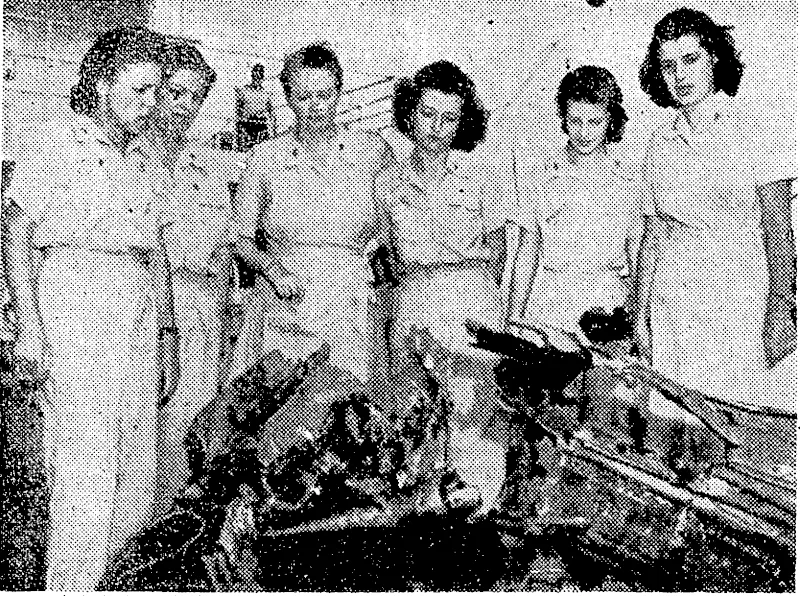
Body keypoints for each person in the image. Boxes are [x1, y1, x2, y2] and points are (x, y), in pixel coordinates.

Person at [2, 27, 178, 590]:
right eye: (139, 86)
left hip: (135, 324)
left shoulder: (143, 160)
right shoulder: (49, 147)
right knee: (85, 491)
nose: (148, 101)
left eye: (155, 90)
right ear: (100, 84)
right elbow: (17, 238)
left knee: (136, 491)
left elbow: (157, 259)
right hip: (75, 322)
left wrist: (165, 350)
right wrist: (23, 327)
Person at [376, 60, 523, 516]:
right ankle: (421, 513)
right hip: (412, 305)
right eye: (427, 115)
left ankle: (480, 511)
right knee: (412, 415)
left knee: (473, 413)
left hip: (469, 304)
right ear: (409, 113)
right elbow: (385, 251)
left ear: (464, 121)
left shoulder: (482, 176)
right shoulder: (388, 177)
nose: (437, 129)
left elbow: (499, 250)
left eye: (450, 118)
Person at [634, 8, 796, 409]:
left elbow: (777, 225)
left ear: (715, 60)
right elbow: (654, 235)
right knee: (675, 425)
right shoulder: (658, 142)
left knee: (733, 424)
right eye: (668, 66)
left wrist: (780, 307)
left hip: (738, 297)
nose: (680, 75)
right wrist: (641, 313)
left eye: (691, 60)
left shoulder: (755, 126)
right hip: (672, 300)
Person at [230, 43, 393, 396]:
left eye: (325, 95)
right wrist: (273, 270)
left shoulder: (372, 151)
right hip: (282, 301)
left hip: (348, 303)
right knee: (272, 412)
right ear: (288, 98)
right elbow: (240, 239)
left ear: (339, 93)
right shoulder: (265, 156)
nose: (316, 107)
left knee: (340, 415)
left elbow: (390, 230)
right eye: (304, 96)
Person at [142, 43, 235, 517]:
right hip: (160, 300)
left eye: (196, 97)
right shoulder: (138, 162)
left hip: (208, 302)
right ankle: (146, 528)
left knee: (196, 414)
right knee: (153, 418)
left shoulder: (209, 164)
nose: (184, 107)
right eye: (176, 93)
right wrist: (168, 323)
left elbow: (228, 238)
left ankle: (177, 523)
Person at [515, 66, 641, 335]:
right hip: (550, 305)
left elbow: (635, 252)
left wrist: (636, 318)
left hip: (608, 306)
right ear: (563, 118)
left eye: (594, 122)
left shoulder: (629, 180)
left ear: (610, 119)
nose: (584, 132)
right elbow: (528, 249)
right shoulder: (541, 175)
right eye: (575, 121)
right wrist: (514, 319)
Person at [236, 63, 277, 151]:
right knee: (244, 152)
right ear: (252, 76)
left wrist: (273, 133)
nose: (257, 79)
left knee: (260, 153)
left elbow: (272, 114)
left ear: (262, 78)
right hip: (246, 126)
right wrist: (240, 128)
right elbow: (238, 111)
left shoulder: (267, 94)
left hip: (261, 126)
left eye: (259, 76)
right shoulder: (243, 91)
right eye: (255, 76)